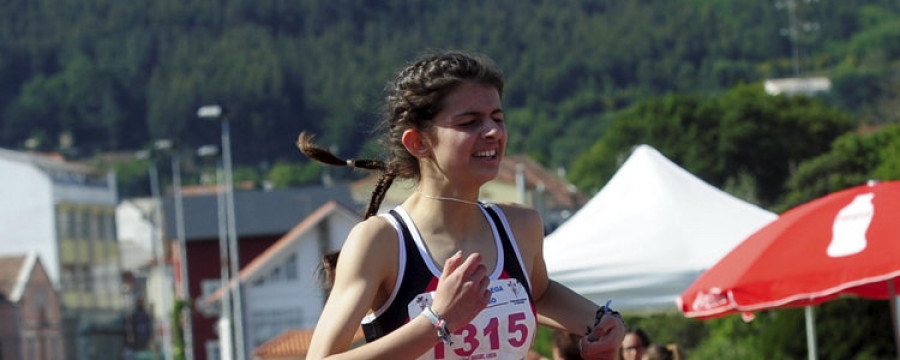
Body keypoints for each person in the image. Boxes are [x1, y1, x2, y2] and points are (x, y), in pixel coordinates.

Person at [298, 50, 625, 360]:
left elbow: (539, 293)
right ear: (418, 142)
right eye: (469, 122)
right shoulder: (380, 241)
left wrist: (601, 321)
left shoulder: (520, 225)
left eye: (497, 118)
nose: (493, 131)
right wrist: (436, 322)